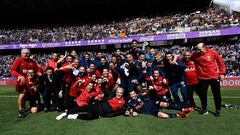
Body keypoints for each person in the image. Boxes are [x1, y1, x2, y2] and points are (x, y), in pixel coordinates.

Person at [191, 43, 226, 117]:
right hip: (202, 78)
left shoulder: (213, 52)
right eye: (197, 49)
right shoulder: (195, 55)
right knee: (203, 94)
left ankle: (218, 110)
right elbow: (186, 58)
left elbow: (221, 63)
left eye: (200, 49)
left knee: (216, 94)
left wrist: (222, 73)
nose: (199, 51)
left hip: (214, 76)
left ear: (204, 47)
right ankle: (204, 109)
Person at [10, 49, 42, 118]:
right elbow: (12, 70)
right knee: (22, 95)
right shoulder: (18, 60)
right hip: (23, 82)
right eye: (26, 53)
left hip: (32, 82)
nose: (28, 54)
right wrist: (19, 76)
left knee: (34, 107)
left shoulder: (32, 61)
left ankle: (35, 104)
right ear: (21, 54)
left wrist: (39, 73)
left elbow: (37, 70)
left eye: (29, 53)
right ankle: (21, 110)